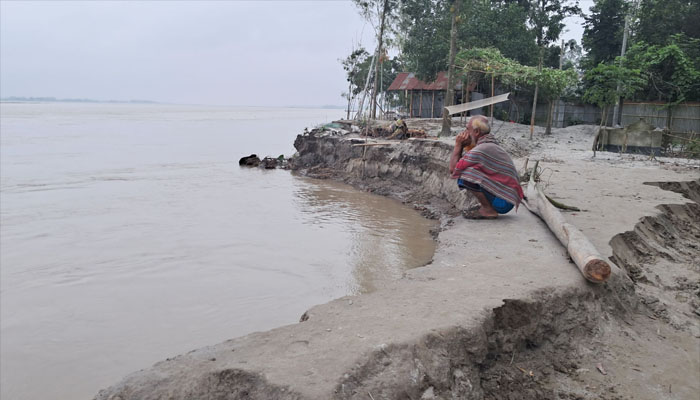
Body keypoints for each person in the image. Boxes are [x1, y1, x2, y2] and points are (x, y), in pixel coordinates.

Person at [449, 115, 524, 219]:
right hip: (506, 198)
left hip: (503, 202)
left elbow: (453, 170)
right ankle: (487, 206)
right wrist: (462, 146)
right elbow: (463, 161)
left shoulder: (482, 149)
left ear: (476, 132)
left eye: (467, 129)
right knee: (469, 170)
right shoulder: (489, 144)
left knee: (464, 174)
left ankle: (488, 210)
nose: (465, 132)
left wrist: (458, 145)